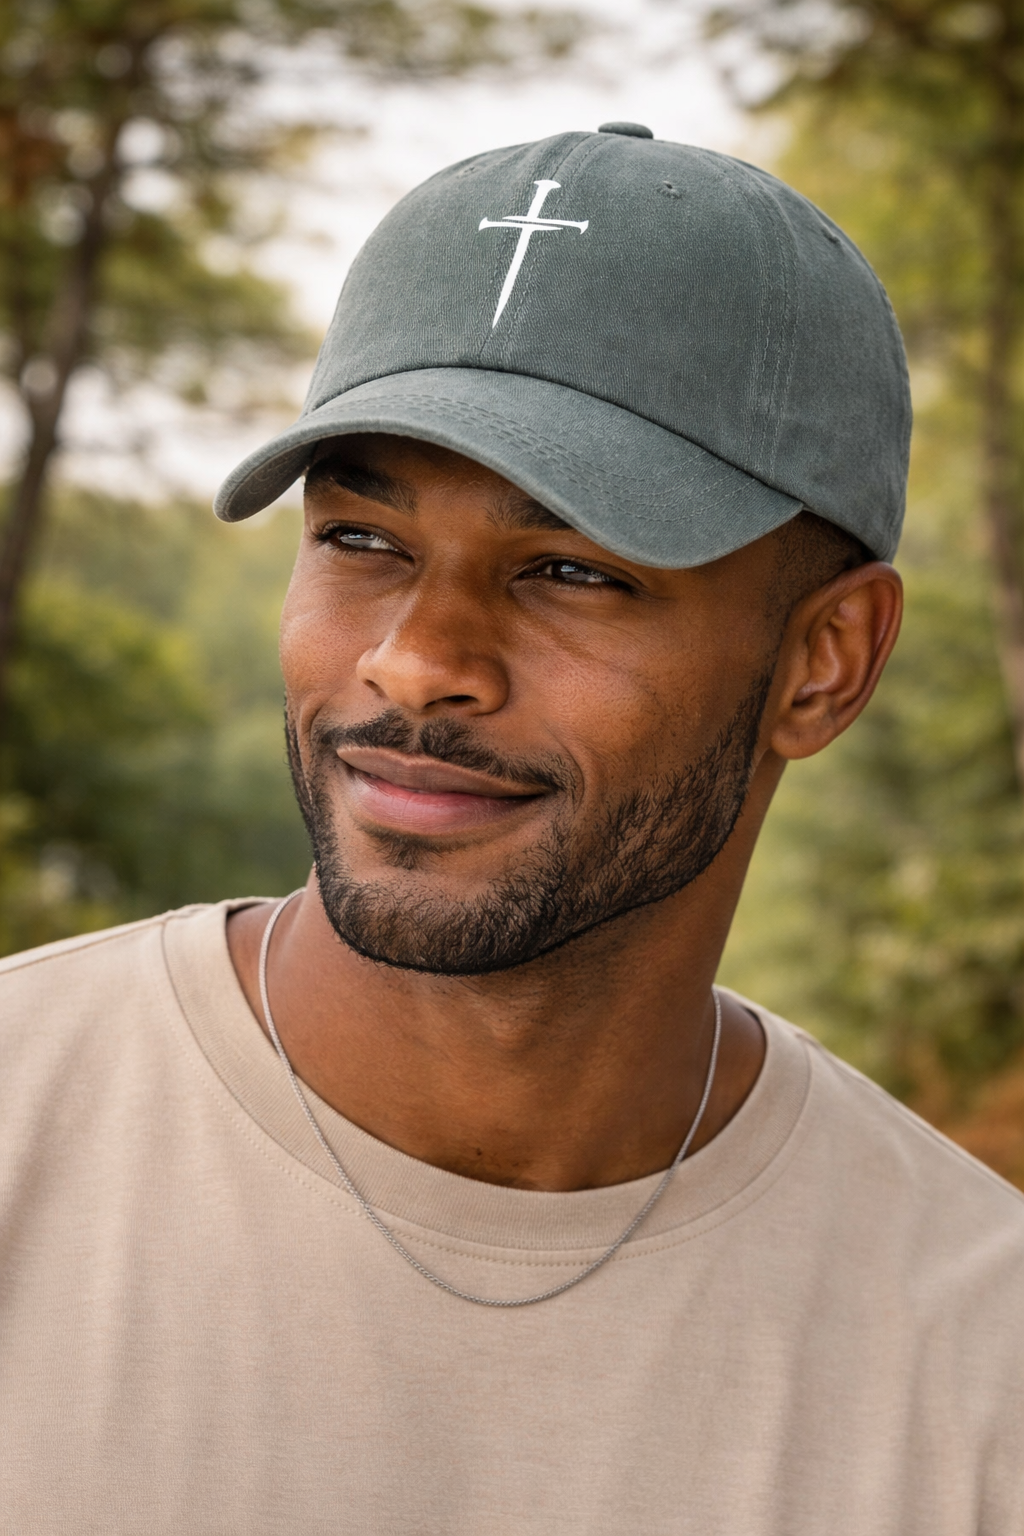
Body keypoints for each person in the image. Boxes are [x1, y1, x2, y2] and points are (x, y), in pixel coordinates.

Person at [2, 124, 1021, 1534]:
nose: (418, 662)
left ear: (824, 661)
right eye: (362, 541)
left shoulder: (982, 1366)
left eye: (567, 570)